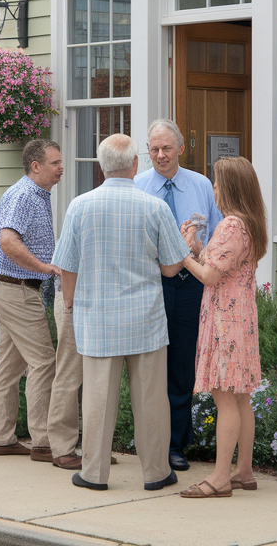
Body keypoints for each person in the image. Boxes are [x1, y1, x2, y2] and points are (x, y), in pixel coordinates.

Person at [54, 133, 190, 492]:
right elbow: (172, 268)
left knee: (97, 400)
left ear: (101, 166)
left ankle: (94, 473)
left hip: (97, 317)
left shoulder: (79, 206)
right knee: (151, 401)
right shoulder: (155, 207)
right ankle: (156, 472)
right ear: (135, 164)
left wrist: (69, 305)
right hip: (144, 317)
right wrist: (186, 243)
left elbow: (67, 266)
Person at [134, 118, 223, 472]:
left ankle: (175, 445)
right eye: (153, 149)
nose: (160, 155)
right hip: (151, 285)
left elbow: (217, 236)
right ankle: (147, 439)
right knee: (148, 366)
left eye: (166, 148)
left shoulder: (201, 186)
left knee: (182, 367)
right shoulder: (138, 186)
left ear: (181, 149)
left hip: (190, 287)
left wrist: (199, 248)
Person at [178, 156, 267, 499]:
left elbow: (210, 276)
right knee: (241, 397)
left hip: (223, 321)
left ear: (228, 187)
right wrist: (199, 249)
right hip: (241, 317)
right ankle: (243, 470)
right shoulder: (250, 223)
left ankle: (219, 478)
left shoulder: (230, 224)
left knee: (224, 398)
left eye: (216, 183)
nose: (213, 189)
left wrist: (183, 252)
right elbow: (222, 266)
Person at [0, 139, 63, 463]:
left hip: (11, 289)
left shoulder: (34, 194)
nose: (61, 168)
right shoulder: (25, 195)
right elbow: (7, 240)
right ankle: (44, 440)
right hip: (19, 290)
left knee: (9, 365)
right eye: (55, 163)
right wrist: (44, 267)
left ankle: (2, 438)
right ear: (36, 166)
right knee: (44, 362)